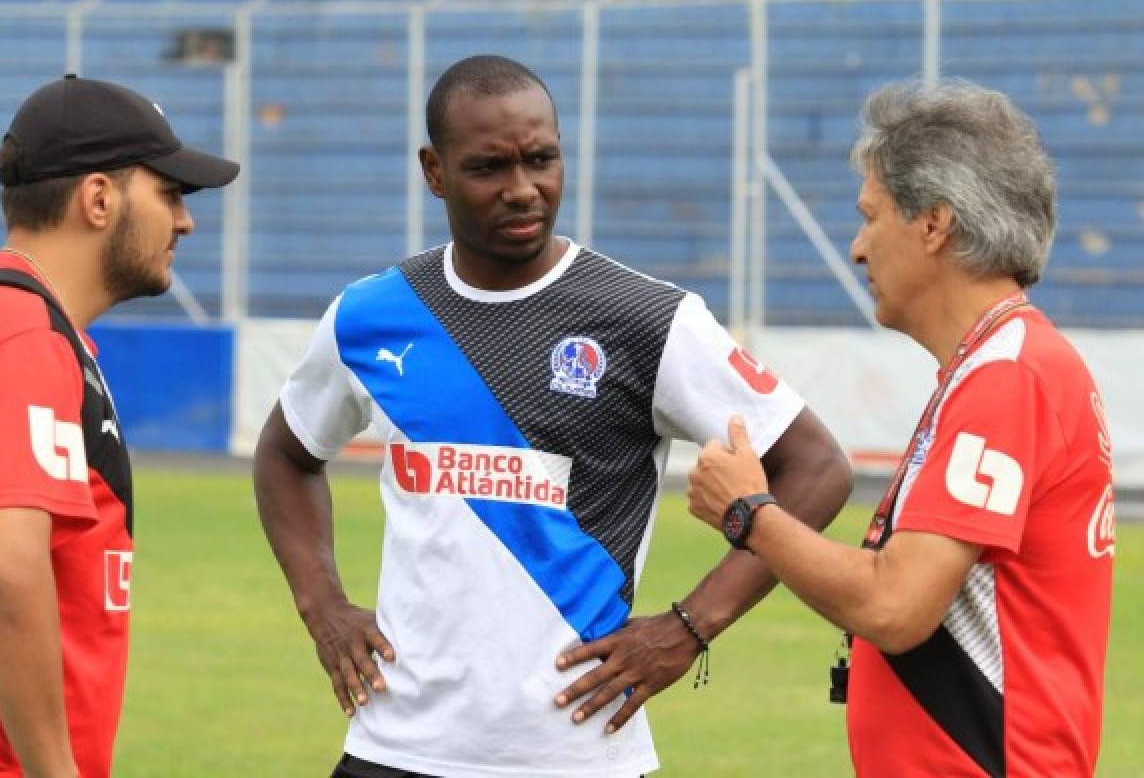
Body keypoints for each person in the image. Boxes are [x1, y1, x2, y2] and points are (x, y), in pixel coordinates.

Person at [254, 54, 852, 778]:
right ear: (434, 171)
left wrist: (690, 626)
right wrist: (322, 606)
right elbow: (287, 454)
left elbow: (816, 468)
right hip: (394, 746)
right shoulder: (372, 315)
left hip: (576, 752)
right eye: (488, 169)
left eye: (542, 160)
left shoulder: (647, 319)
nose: (523, 190)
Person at [688, 80, 1115, 777]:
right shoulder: (999, 364)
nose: (857, 249)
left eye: (870, 216)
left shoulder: (1009, 375)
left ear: (934, 224)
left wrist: (750, 512)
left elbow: (894, 605)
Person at [0, 75, 238, 778]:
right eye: (169, 194)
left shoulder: (6, 320)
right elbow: (6, 566)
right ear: (99, 198)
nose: (185, 222)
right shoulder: (17, 331)